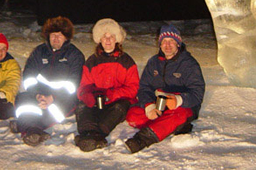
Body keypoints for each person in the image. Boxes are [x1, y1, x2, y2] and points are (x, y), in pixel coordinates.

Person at [124, 25, 205, 153]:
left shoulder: (189, 64)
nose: (167, 45)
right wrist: (149, 106)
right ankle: (172, 125)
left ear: (178, 43)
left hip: (183, 106)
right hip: (160, 104)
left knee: (179, 114)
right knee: (133, 115)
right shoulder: (154, 62)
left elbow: (197, 93)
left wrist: (178, 100)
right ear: (160, 45)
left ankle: (142, 139)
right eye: (164, 42)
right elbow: (144, 87)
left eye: (171, 41)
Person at [13, 16, 85, 146]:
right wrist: (37, 95)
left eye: (60, 35)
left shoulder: (75, 55)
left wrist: (52, 98)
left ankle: (27, 128)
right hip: (39, 93)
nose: (56, 39)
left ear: (66, 37)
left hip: (63, 97)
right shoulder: (39, 52)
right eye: (53, 35)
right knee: (22, 101)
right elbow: (29, 75)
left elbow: (74, 83)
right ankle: (32, 131)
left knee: (53, 111)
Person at [75, 18, 140, 152]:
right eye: (105, 37)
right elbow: (83, 86)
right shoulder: (92, 61)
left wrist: (112, 94)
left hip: (117, 101)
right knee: (82, 106)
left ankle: (96, 135)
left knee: (119, 107)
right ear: (99, 40)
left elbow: (133, 88)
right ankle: (87, 135)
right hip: (98, 100)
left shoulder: (126, 61)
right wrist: (87, 95)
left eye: (111, 37)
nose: (108, 40)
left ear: (117, 39)